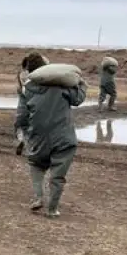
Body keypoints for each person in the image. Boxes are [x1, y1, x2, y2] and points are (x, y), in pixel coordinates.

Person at [15, 51, 87, 218]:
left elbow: (22, 115)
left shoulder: (27, 89)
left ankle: (38, 197)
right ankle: (52, 209)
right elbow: (78, 99)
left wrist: (21, 133)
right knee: (58, 173)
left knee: (36, 164)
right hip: (64, 137)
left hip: (38, 137)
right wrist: (82, 84)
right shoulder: (62, 85)